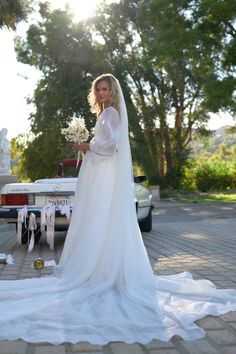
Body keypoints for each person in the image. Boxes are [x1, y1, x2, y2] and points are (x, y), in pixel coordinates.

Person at [0, 73, 236, 345]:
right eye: (98, 89)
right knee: (101, 220)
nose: (102, 94)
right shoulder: (108, 113)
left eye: (106, 89)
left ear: (113, 92)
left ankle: (102, 272)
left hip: (103, 173)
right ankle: (102, 267)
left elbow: (110, 146)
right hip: (101, 172)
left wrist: (85, 145)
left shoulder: (110, 113)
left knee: (98, 219)